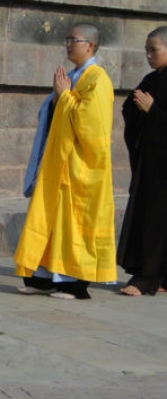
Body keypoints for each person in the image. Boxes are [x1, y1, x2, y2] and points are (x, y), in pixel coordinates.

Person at [14, 23, 116, 300]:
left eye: (75, 39)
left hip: (80, 168)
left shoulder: (98, 79)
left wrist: (64, 97)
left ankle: (73, 283)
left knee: (72, 226)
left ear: (91, 46)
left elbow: (90, 125)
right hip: (58, 163)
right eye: (67, 39)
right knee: (50, 220)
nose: (69, 44)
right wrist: (60, 97)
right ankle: (43, 277)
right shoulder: (72, 75)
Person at [117, 26, 167, 296]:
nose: (149, 55)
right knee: (149, 218)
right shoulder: (150, 80)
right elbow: (129, 107)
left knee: (156, 223)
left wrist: (153, 110)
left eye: (154, 50)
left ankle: (146, 278)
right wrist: (138, 109)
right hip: (150, 164)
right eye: (146, 50)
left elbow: (155, 112)